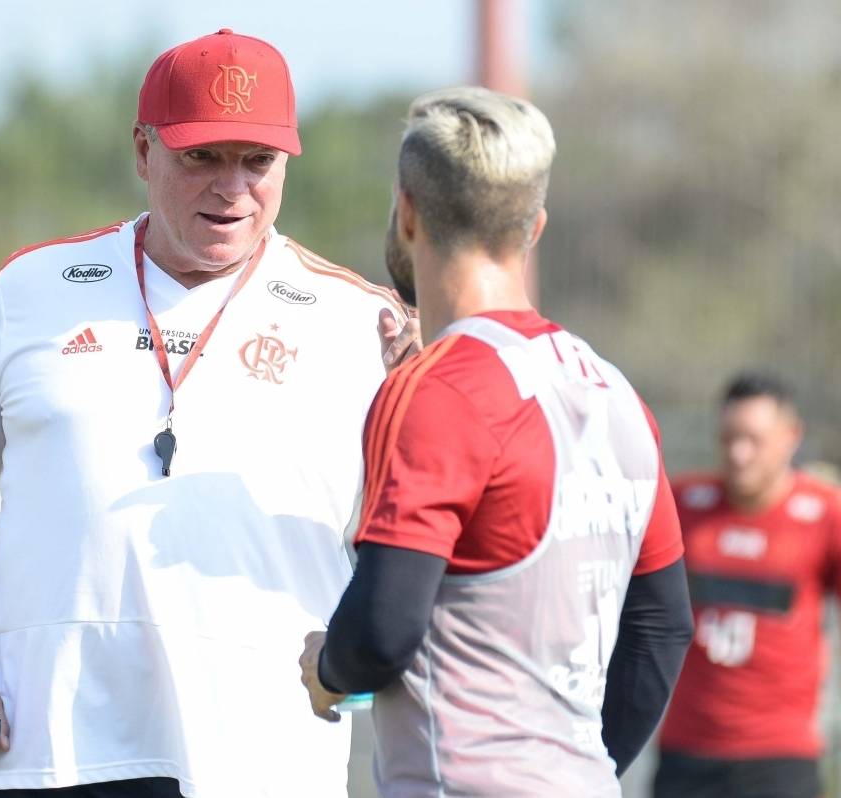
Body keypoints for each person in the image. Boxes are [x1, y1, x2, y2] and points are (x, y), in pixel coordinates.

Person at [0, 29, 420, 798]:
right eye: (200, 157)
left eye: (258, 160)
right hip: (48, 756)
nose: (232, 188)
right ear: (143, 152)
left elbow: (427, 534)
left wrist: (429, 398)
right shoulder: (31, 289)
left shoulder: (364, 323)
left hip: (265, 762)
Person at [297, 87, 695, 796]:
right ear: (534, 226)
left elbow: (382, 634)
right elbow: (662, 628)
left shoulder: (440, 387)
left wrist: (330, 670)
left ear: (408, 210)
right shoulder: (614, 391)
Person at [654, 374, 841, 798]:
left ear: (791, 437)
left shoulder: (824, 514)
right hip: (687, 753)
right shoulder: (682, 504)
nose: (739, 454)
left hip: (780, 759)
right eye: (729, 439)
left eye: (754, 440)